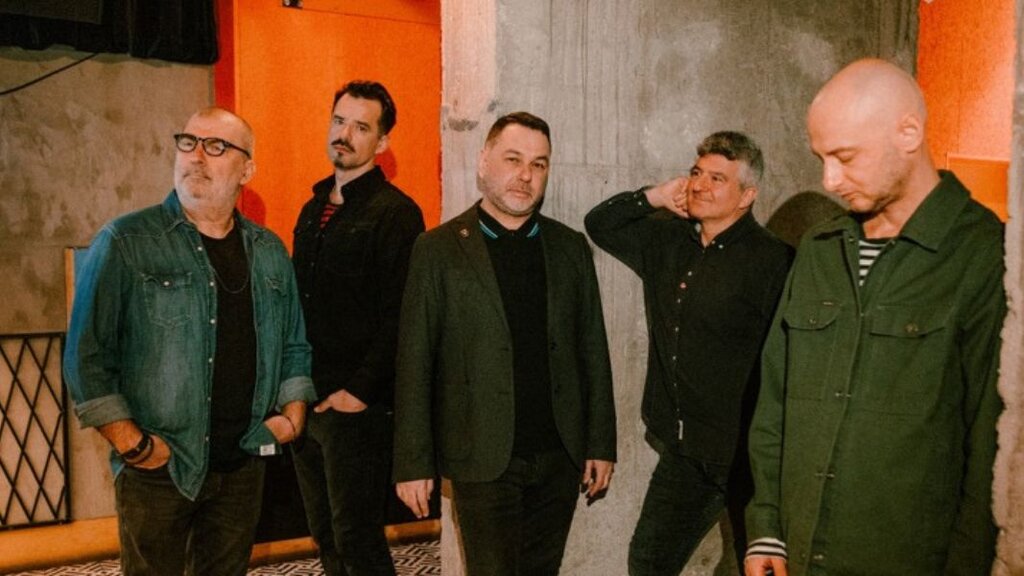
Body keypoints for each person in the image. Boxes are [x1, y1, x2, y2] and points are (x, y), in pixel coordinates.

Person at [745, 58, 1006, 576]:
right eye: (821, 159)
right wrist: (766, 528)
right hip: (798, 555)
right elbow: (774, 399)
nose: (829, 179)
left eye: (845, 157)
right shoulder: (819, 250)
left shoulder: (983, 254)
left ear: (908, 133)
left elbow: (991, 445)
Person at [64, 107, 315, 575]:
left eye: (216, 147)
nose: (197, 157)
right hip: (159, 470)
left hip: (243, 464)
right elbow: (86, 357)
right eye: (188, 143)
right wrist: (135, 447)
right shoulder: (125, 241)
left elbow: (294, 346)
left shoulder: (269, 251)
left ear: (247, 170)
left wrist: (292, 418)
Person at [392, 111, 617, 576]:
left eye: (539, 164)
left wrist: (600, 443)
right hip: (481, 455)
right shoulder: (437, 249)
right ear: (483, 162)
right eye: (513, 159)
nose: (525, 175)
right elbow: (415, 360)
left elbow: (593, 350)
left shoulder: (569, 247)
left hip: (559, 454)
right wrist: (412, 462)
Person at [585, 131, 793, 575]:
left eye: (718, 178)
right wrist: (656, 196)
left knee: (759, 568)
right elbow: (600, 223)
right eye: (697, 172)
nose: (699, 184)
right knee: (647, 563)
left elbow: (790, 364)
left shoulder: (775, 261)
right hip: (685, 453)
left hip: (749, 457)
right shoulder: (667, 241)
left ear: (747, 196)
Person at [291, 81, 425, 576]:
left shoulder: (397, 214)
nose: (344, 135)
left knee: (357, 541)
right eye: (339, 121)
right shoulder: (312, 210)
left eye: (361, 127)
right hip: (307, 400)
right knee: (325, 536)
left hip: (357, 411)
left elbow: (402, 316)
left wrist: (358, 392)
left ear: (382, 142)